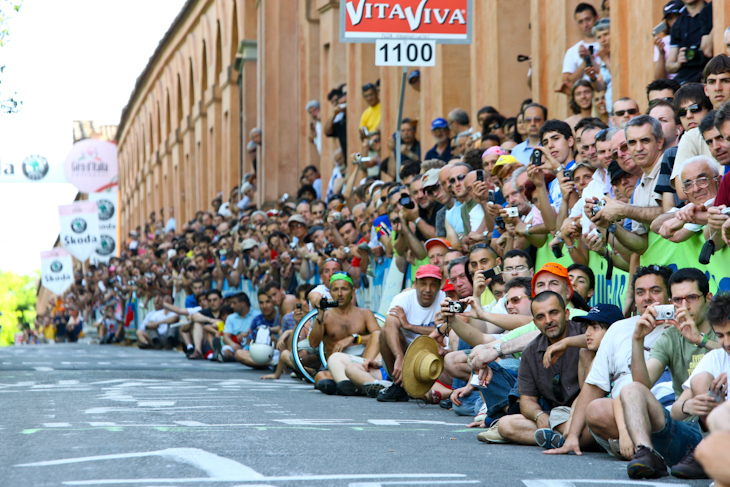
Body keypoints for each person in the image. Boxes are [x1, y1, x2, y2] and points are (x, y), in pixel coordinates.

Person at [546, 265, 675, 459]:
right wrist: (572, 437)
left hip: (665, 411)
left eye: (655, 291)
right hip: (621, 414)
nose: (647, 298)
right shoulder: (619, 328)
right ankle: (638, 444)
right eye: (640, 292)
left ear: (669, 296)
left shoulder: (681, 328)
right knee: (596, 409)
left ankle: (640, 446)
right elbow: (593, 387)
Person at [620, 267, 718, 479]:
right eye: (677, 300)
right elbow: (642, 383)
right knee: (630, 390)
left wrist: (700, 340)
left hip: (719, 429)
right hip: (685, 431)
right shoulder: (671, 336)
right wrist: (637, 340)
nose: (684, 306)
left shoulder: (722, 329)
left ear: (708, 298)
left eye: (691, 298)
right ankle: (646, 453)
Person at [496, 291, 582, 449]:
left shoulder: (584, 333)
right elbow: (527, 400)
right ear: (535, 323)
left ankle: (563, 436)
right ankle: (562, 438)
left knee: (593, 420)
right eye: (541, 317)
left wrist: (569, 343)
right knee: (506, 425)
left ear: (567, 313)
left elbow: (607, 335)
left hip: (586, 412)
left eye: (553, 313)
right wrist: (539, 415)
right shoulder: (531, 351)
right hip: (555, 417)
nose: (548, 321)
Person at [377, 265, 446, 402]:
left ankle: (419, 389)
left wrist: (409, 326)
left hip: (432, 352)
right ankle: (398, 385)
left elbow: (444, 330)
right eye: (423, 284)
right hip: (404, 349)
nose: (427, 289)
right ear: (415, 284)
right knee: (384, 332)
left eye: (433, 285)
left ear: (440, 286)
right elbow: (390, 325)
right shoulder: (403, 298)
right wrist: (399, 355)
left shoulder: (445, 299)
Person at [309, 273, 382, 396]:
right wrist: (320, 315)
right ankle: (354, 384)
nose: (340, 294)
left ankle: (350, 384)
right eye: (335, 290)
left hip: (363, 363)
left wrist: (354, 339)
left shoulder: (365, 313)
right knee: (321, 377)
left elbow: (380, 337)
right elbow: (313, 343)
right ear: (330, 292)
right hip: (337, 367)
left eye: (344, 289)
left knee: (378, 334)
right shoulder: (325, 316)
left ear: (352, 292)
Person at [556, 3, 600, 96]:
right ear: (577, 24)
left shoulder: (607, 45)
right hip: (584, 100)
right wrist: (584, 63)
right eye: (580, 21)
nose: (585, 25)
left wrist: (591, 60)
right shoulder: (572, 51)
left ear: (597, 18)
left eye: (588, 19)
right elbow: (567, 83)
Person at [666, 0, 710, 85]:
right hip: (684, 77)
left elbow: (707, 51)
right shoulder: (678, 23)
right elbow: (669, 66)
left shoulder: (711, 12)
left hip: (707, 73)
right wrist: (679, 62)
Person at [234, 290, 282, 368]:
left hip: (277, 353)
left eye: (268, 302)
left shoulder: (280, 318)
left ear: (273, 302)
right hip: (260, 354)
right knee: (239, 354)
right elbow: (249, 343)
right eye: (261, 303)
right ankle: (271, 364)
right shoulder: (256, 320)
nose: (265, 306)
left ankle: (271, 363)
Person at [213, 292, 259, 362]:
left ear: (243, 304)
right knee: (227, 349)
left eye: (234, 303)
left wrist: (248, 334)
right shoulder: (231, 318)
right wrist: (233, 345)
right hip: (235, 344)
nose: (231, 306)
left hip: (251, 344)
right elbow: (226, 336)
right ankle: (221, 354)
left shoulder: (257, 315)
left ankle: (238, 356)